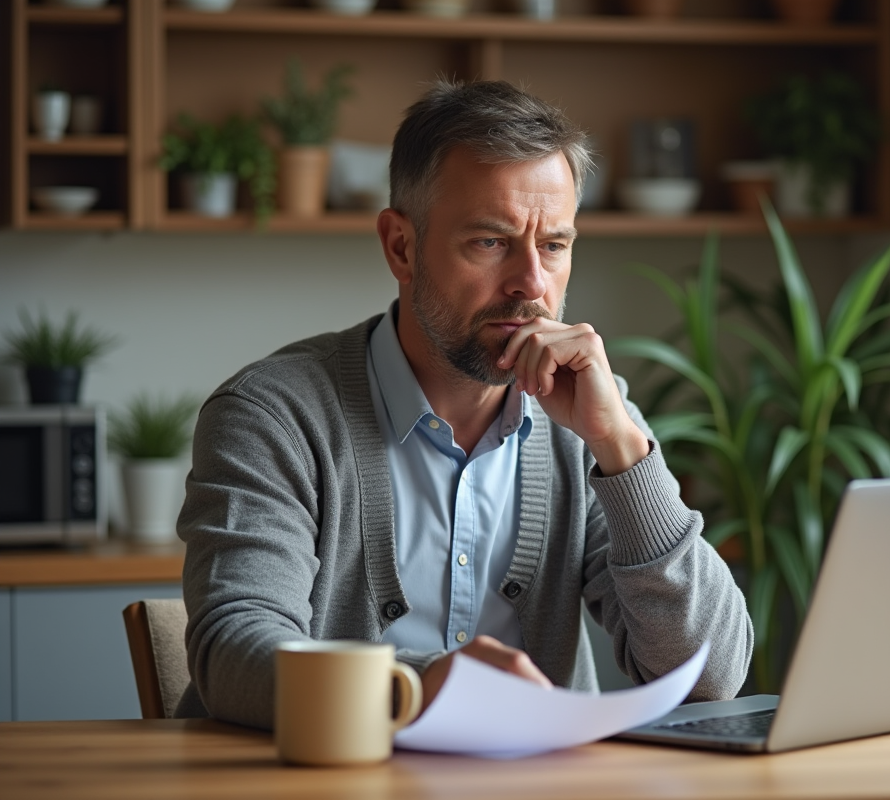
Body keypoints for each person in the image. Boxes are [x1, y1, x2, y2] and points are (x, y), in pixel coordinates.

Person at [174, 79, 752, 730]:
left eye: (554, 245)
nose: (532, 283)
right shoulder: (275, 414)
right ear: (401, 246)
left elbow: (710, 678)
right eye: (491, 242)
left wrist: (621, 451)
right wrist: (417, 688)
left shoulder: (591, 420)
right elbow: (232, 655)